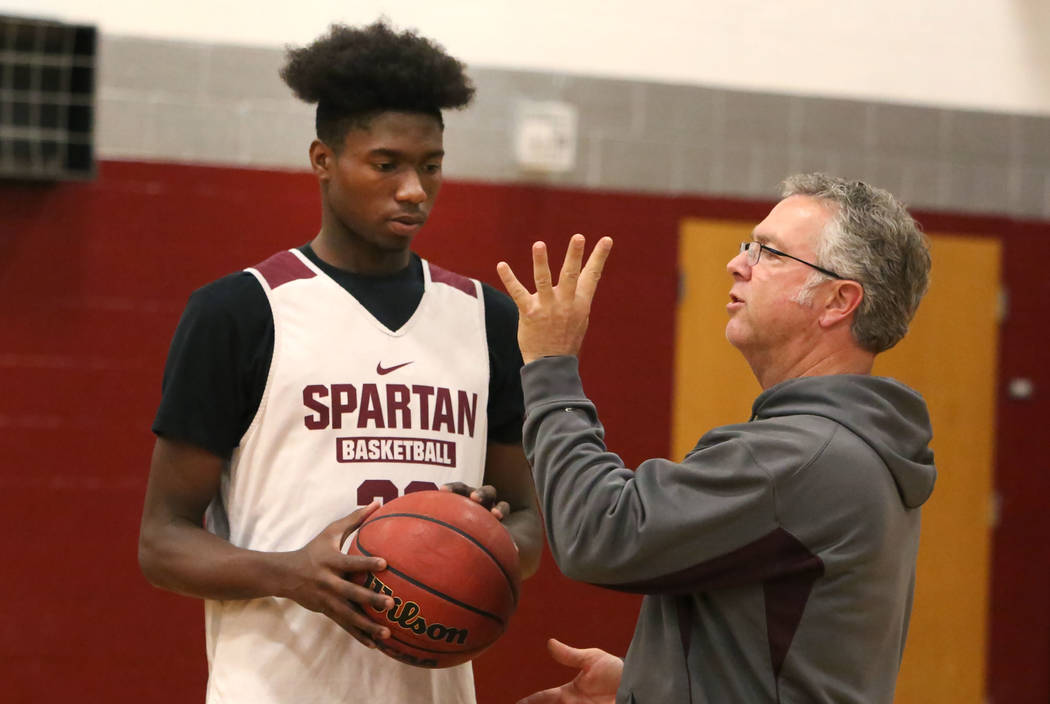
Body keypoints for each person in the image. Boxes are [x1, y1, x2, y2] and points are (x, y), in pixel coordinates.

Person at [137, 21, 542, 704]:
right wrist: (291, 573)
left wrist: (485, 540)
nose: (415, 189)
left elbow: (529, 525)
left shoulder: (486, 318)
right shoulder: (242, 311)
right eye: (387, 164)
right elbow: (163, 543)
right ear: (323, 159)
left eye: (432, 165)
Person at [498, 173, 935, 704]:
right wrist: (647, 684)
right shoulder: (851, 445)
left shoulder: (801, 457)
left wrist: (549, 365)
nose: (739, 263)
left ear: (838, 301)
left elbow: (598, 531)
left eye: (770, 253)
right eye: (748, 245)